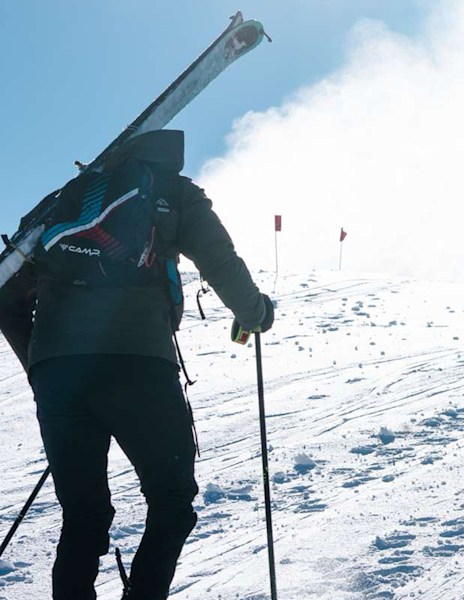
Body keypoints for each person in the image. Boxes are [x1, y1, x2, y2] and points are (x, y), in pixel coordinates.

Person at [0, 129, 272, 600]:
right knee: (171, 501)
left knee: (83, 515)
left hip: (60, 375)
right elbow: (219, 260)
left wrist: (43, 366)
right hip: (138, 363)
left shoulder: (65, 200)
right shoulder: (174, 192)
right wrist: (255, 313)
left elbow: (4, 289)